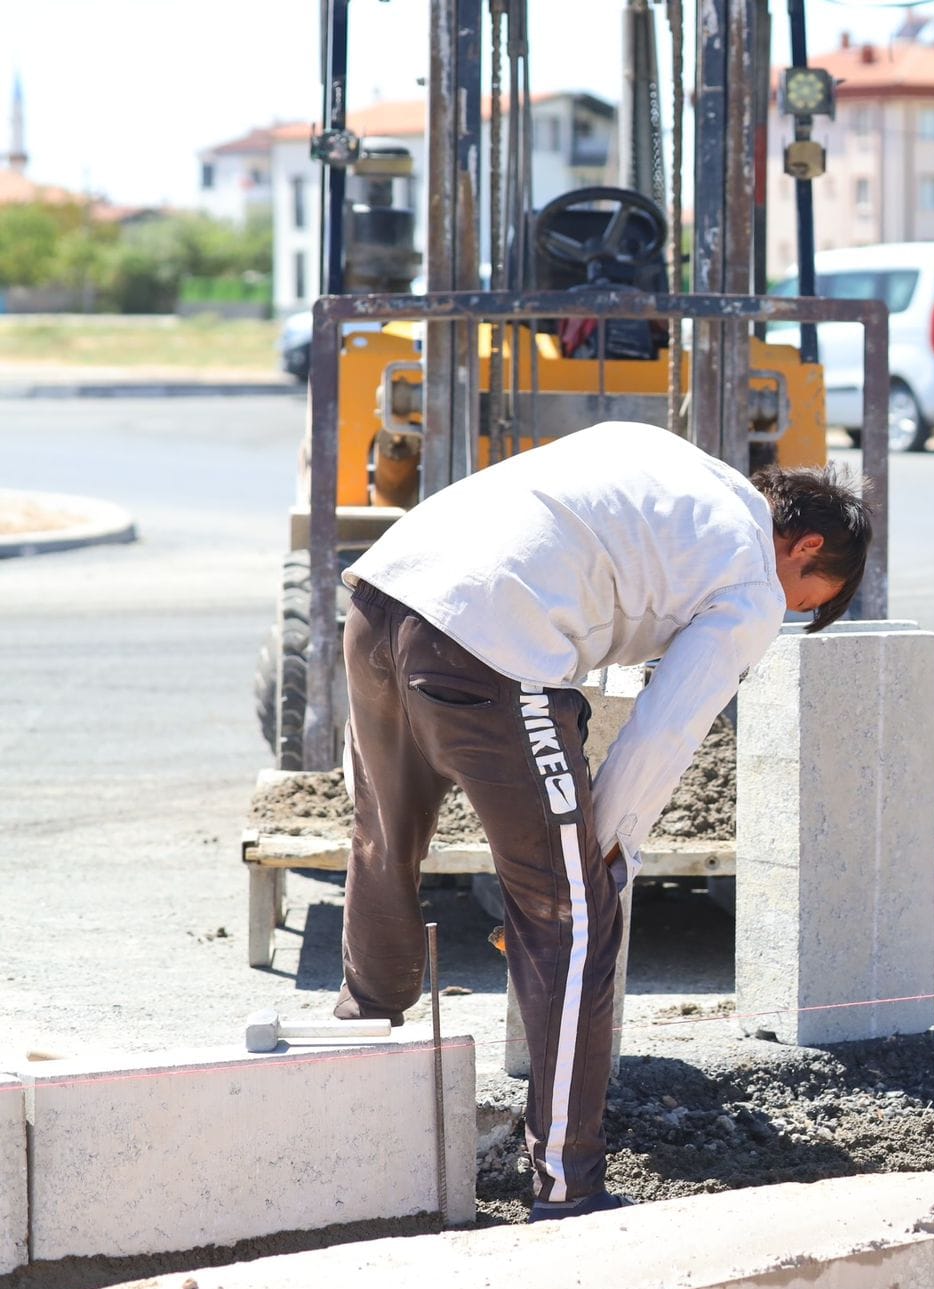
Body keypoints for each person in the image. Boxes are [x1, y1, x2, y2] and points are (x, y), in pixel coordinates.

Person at [332, 420, 871, 1217]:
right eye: (804, 603)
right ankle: (567, 1186)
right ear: (803, 548)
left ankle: (351, 1056)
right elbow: (665, 730)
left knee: (384, 840)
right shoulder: (753, 580)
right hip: (491, 642)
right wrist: (601, 861)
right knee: (573, 921)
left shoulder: (663, 459)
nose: (784, 615)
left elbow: (582, 565)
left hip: (383, 598)